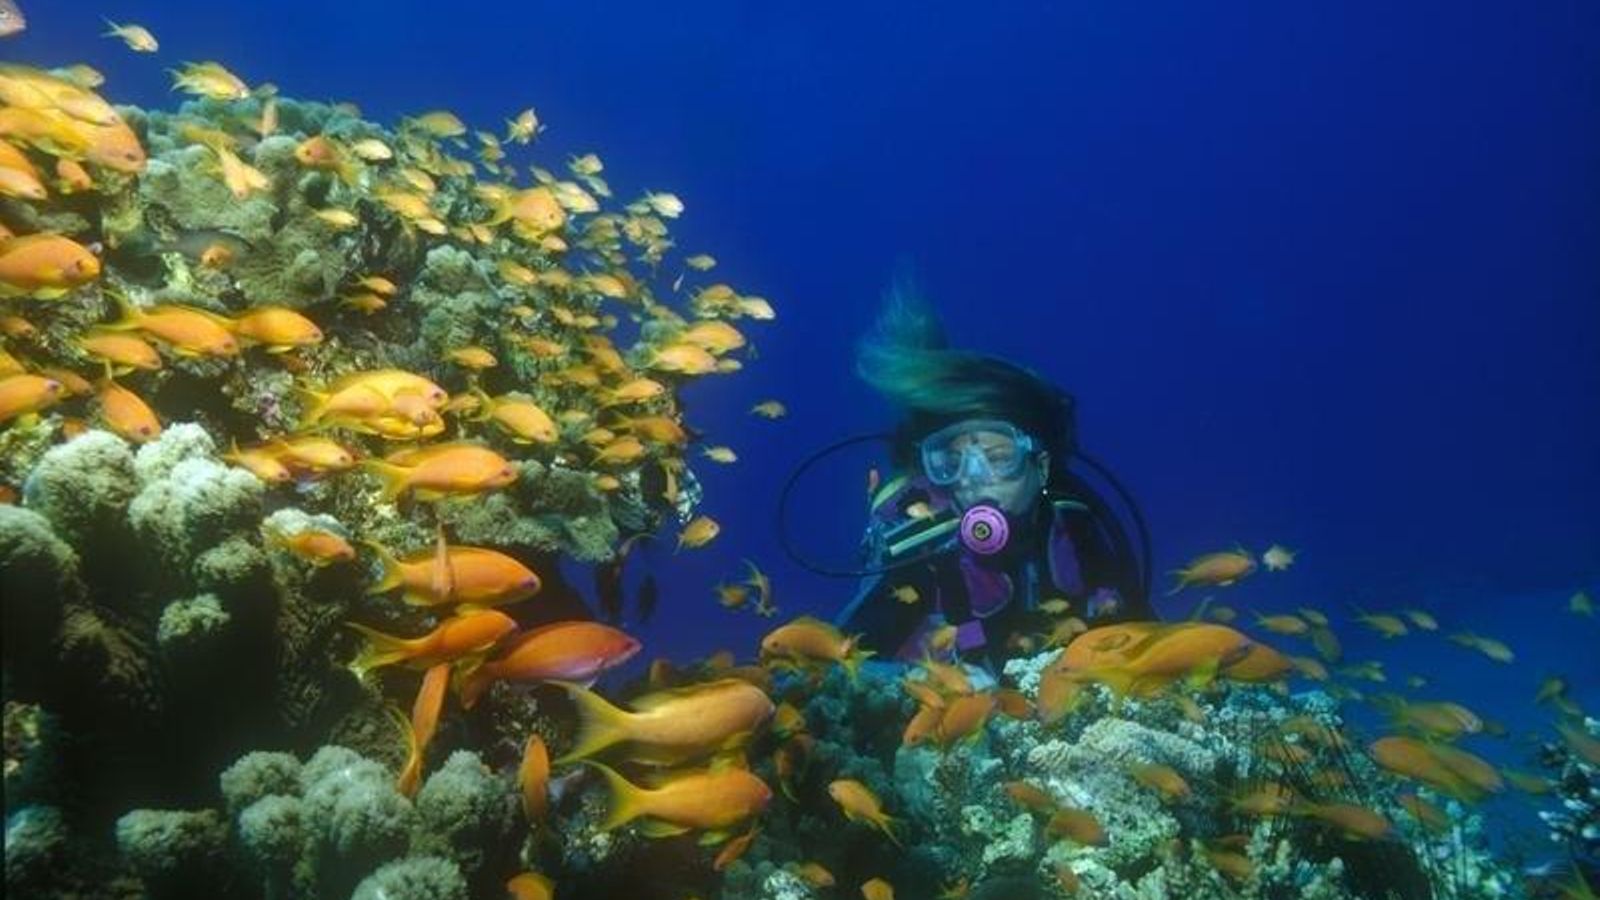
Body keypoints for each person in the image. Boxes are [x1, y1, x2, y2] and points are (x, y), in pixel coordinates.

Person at [833, 279, 1155, 671]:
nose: (971, 477)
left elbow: (1143, 639)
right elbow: (844, 666)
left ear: (1041, 466)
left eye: (997, 455)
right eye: (951, 460)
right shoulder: (919, 549)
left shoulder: (1078, 528)